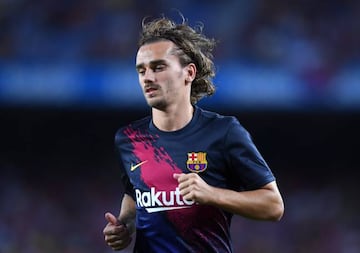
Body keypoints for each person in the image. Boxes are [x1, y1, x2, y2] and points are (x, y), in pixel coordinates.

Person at [103, 14, 284, 253]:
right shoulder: (129, 139)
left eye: (158, 67)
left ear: (189, 73)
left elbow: (273, 206)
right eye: (141, 70)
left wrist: (211, 194)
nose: (148, 77)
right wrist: (124, 225)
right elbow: (135, 193)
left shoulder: (223, 132)